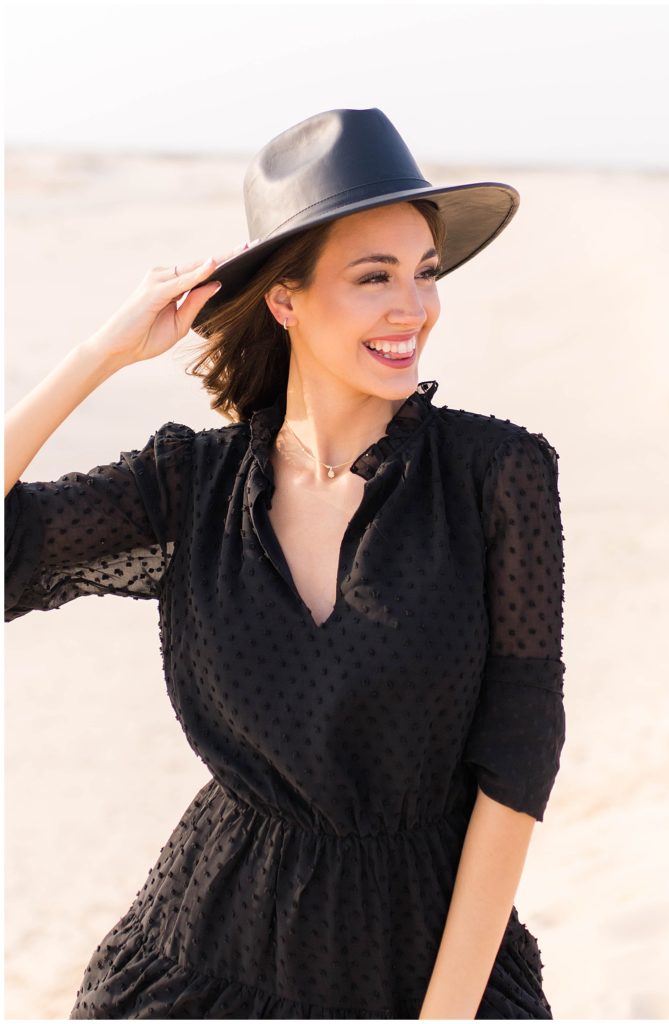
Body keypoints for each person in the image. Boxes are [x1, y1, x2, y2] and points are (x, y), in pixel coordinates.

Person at [5, 108, 566, 1019]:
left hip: (430, 966)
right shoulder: (190, 485)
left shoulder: (496, 474)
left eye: (424, 274)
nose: (413, 307)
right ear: (286, 300)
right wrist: (97, 356)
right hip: (203, 960)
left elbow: (521, 754)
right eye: (373, 276)